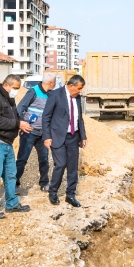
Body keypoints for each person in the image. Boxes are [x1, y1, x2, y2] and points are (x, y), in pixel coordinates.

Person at [0, 75, 33, 222]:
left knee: (11, 175)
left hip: (7, 143)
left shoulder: (8, 98)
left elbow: (14, 116)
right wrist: (17, 124)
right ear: (6, 85)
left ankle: (12, 204)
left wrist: (20, 124)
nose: (16, 91)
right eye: (15, 88)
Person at [42, 74, 87, 208]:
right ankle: (53, 192)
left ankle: (70, 195)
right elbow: (46, 117)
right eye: (79, 88)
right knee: (61, 164)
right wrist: (47, 137)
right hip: (58, 136)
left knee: (73, 167)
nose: (80, 91)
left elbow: (79, 118)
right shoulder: (55, 95)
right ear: (71, 85)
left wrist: (83, 136)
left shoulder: (77, 98)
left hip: (74, 136)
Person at [15, 72, 56, 190]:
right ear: (50, 83)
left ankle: (44, 183)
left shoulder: (51, 94)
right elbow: (20, 108)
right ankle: (14, 184)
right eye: (54, 83)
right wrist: (21, 123)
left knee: (44, 159)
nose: (55, 85)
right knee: (22, 159)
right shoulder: (33, 91)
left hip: (43, 133)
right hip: (29, 132)